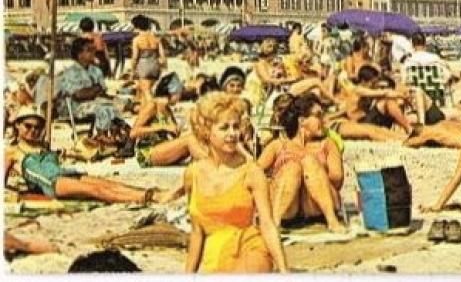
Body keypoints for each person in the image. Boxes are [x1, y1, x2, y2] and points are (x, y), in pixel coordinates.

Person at [184, 92, 290, 272]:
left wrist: (284, 270)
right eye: (224, 128)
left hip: (250, 248)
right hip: (215, 258)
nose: (233, 134)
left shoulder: (251, 171)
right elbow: (197, 232)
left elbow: (267, 224)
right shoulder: (192, 174)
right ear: (206, 132)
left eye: (235, 127)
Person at [4, 107, 168, 205]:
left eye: (38, 127)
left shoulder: (43, 146)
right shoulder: (12, 152)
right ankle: (147, 198)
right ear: (17, 125)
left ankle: (153, 193)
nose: (33, 131)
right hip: (51, 182)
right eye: (28, 126)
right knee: (95, 190)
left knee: (107, 183)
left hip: (64, 173)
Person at [257, 94, 347, 232]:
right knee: (292, 168)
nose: (323, 120)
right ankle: (274, 224)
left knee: (309, 162)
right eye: (318, 116)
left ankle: (332, 221)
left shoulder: (327, 144)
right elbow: (254, 174)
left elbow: (337, 179)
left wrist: (313, 174)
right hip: (288, 207)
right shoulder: (278, 146)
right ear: (302, 120)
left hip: (316, 206)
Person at [127, 16, 163, 102]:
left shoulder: (137, 40)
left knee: (147, 93)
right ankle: (146, 111)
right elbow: (162, 56)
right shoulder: (156, 39)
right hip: (155, 66)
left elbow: (135, 57)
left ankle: (153, 109)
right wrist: (162, 67)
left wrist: (132, 70)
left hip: (143, 67)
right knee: (145, 91)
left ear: (136, 26)